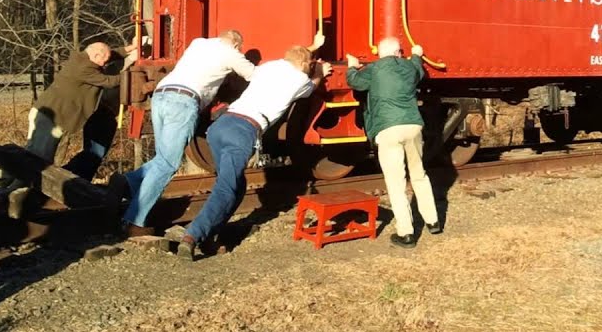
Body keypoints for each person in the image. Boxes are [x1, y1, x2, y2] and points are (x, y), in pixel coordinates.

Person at [175, 43, 333, 260]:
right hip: (243, 131)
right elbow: (311, 87)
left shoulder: (268, 67)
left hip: (220, 126)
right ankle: (192, 236)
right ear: (305, 64)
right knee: (226, 188)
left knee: (236, 186)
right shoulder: (298, 79)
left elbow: (295, 57)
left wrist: (313, 46)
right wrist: (320, 73)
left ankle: (210, 235)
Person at [116, 29, 260, 236]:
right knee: (168, 164)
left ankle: (127, 181)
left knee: (162, 159)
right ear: (237, 45)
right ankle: (133, 221)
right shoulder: (231, 53)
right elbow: (253, 75)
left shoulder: (198, 42)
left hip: (161, 95)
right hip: (183, 102)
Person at [0, 40, 138, 192]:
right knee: (38, 161)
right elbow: (110, 81)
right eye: (104, 60)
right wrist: (132, 67)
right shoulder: (84, 69)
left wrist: (129, 49)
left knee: (34, 156)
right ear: (96, 56)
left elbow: (111, 55)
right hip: (49, 118)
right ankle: (11, 191)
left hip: (52, 115)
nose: (105, 64)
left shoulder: (84, 58)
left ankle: (1, 182)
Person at [345, 37, 441, 249]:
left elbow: (355, 82)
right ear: (399, 53)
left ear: (380, 54)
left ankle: (406, 233)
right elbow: (418, 69)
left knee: (396, 182)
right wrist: (416, 54)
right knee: (419, 174)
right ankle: (433, 221)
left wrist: (351, 66)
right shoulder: (409, 66)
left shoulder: (374, 69)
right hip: (413, 125)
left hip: (387, 128)